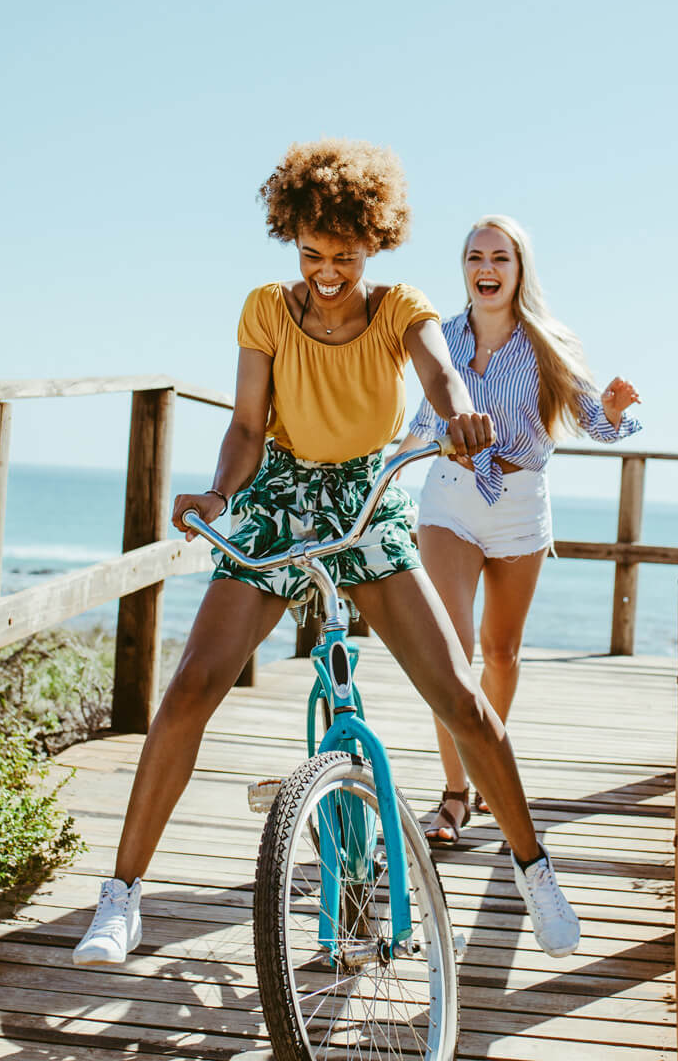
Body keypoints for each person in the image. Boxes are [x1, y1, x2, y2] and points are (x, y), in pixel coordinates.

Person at [74, 143, 582, 965]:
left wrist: (459, 419)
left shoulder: (398, 307)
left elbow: (441, 375)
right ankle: (122, 896)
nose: (328, 273)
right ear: (293, 242)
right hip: (277, 497)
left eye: (345, 256)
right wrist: (216, 495)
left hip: (363, 500)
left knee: (459, 692)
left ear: (372, 246)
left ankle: (534, 869)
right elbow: (246, 427)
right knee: (193, 686)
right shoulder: (268, 310)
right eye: (313, 255)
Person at [396, 215, 641, 848]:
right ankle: (453, 797)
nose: (487, 268)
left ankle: (483, 766)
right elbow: (420, 426)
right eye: (476, 257)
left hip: (520, 505)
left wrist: (613, 412)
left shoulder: (547, 343)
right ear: (465, 269)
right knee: (451, 651)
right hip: (448, 500)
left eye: (500, 258)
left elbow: (596, 421)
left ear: (519, 269)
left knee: (500, 653)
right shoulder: (439, 338)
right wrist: (377, 474)